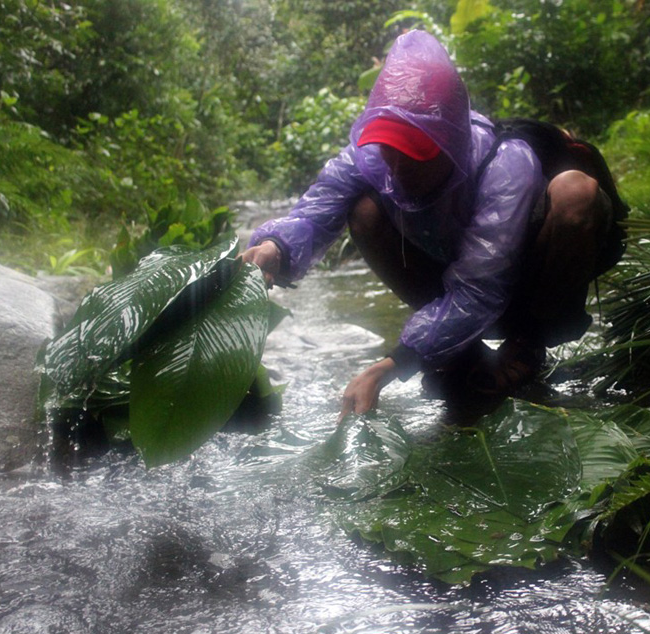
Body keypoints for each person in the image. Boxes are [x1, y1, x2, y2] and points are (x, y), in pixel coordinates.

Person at [242, 30, 613, 420]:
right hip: (451, 283)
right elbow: (314, 212)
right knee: (364, 211)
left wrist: (390, 365)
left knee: (576, 194)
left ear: (449, 144)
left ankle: (527, 344)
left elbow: (478, 290)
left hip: (521, 285)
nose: (398, 169)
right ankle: (459, 350)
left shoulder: (506, 164)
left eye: (416, 154)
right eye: (391, 151)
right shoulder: (373, 156)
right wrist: (274, 249)